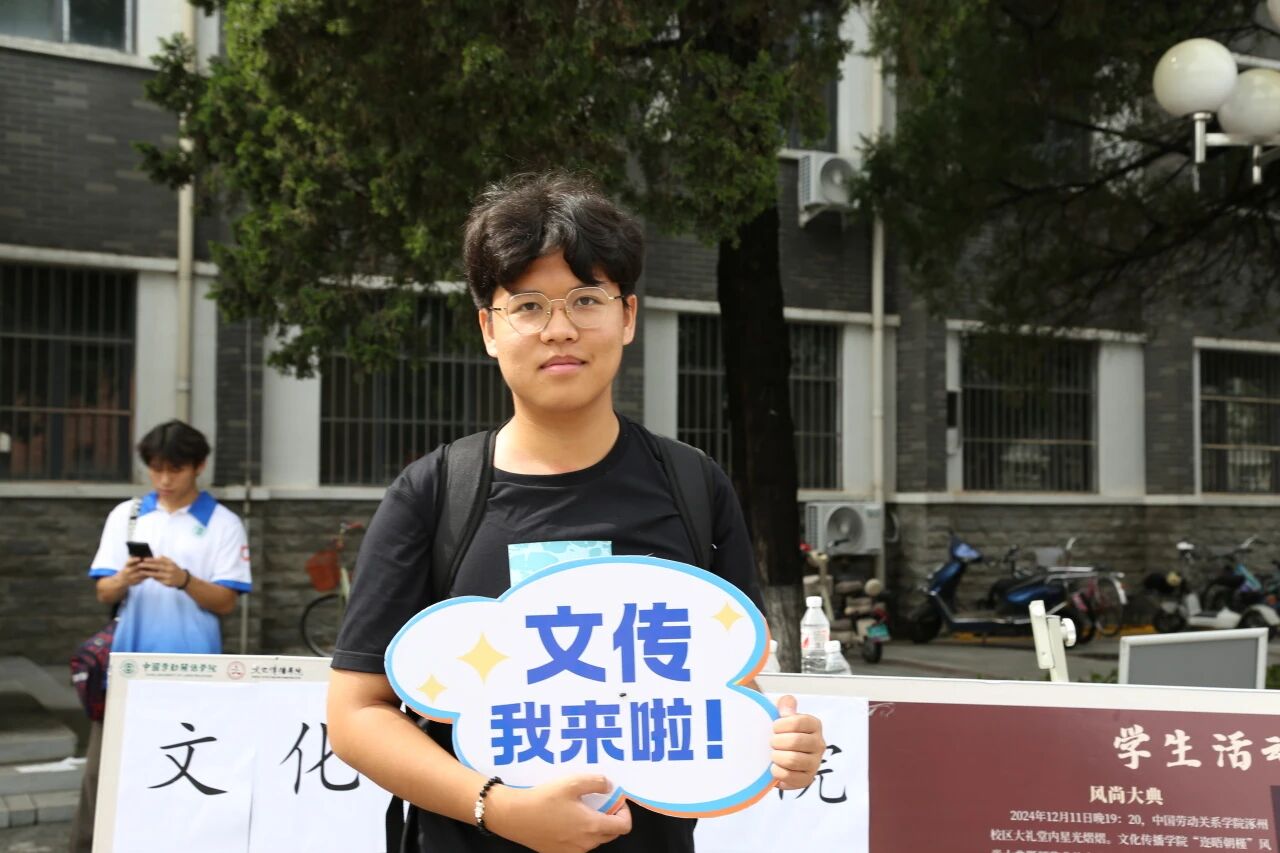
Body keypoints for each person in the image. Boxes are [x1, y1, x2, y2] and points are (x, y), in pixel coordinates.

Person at [327, 171, 825, 853]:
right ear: (489, 328)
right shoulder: (434, 493)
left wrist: (782, 741)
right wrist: (497, 807)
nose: (560, 329)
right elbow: (356, 712)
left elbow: (729, 683)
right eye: (528, 306)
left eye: (587, 299)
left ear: (627, 316)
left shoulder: (694, 486)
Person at [69, 420, 252, 853]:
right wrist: (125, 578)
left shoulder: (223, 523)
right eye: (156, 469)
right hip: (128, 668)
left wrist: (184, 579)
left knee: (190, 769)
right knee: (105, 773)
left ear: (199, 467)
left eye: (175, 469)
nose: (164, 480)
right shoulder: (128, 515)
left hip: (197, 671)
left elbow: (227, 601)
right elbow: (103, 591)